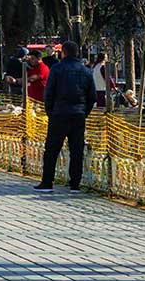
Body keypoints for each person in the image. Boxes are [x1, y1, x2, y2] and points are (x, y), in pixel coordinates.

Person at [34, 37, 95, 192]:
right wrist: (83, 112)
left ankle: (47, 182)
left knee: (52, 149)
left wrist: (51, 112)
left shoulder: (56, 69)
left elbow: (49, 93)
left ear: (64, 52)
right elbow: (92, 96)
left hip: (59, 114)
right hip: (78, 115)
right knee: (76, 150)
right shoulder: (86, 71)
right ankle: (75, 183)